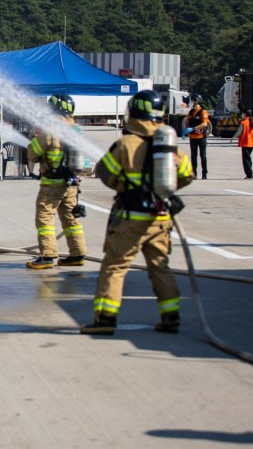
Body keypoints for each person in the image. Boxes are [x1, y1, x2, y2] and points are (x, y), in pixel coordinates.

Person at [81, 90, 194, 335]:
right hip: (160, 219)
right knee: (160, 267)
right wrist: (166, 190)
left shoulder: (125, 144)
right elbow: (187, 174)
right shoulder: (170, 146)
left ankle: (105, 320)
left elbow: (106, 174)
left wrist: (125, 185)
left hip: (129, 220)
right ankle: (170, 318)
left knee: (114, 267)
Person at [25, 94, 87, 269]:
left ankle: (47, 256)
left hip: (52, 184)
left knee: (44, 218)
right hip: (72, 184)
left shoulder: (51, 130)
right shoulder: (76, 129)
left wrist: (36, 138)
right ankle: (78, 254)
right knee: (71, 219)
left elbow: (32, 154)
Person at [184, 94, 209, 179]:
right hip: (192, 138)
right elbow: (187, 122)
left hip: (201, 137)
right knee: (193, 157)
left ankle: (204, 173)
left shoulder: (203, 111)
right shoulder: (190, 112)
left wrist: (194, 128)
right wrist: (185, 130)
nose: (191, 102)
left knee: (203, 156)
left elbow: (204, 123)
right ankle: (194, 173)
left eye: (192, 100)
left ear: (197, 101)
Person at [231, 109, 253, 180]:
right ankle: (249, 172)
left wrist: (233, 137)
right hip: (252, 143)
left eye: (242, 114)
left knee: (246, 159)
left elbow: (239, 132)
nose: (242, 115)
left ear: (244, 114)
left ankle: (249, 174)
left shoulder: (243, 123)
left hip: (245, 143)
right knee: (248, 158)